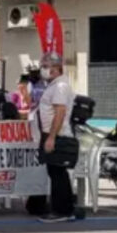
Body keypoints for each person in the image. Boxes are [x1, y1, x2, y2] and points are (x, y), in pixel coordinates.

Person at [35, 52, 83, 223]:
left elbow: (60, 113)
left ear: (56, 68)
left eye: (46, 66)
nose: (43, 70)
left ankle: (62, 210)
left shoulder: (60, 86)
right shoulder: (54, 85)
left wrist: (52, 137)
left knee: (58, 173)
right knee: (55, 172)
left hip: (58, 134)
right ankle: (63, 208)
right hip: (52, 133)